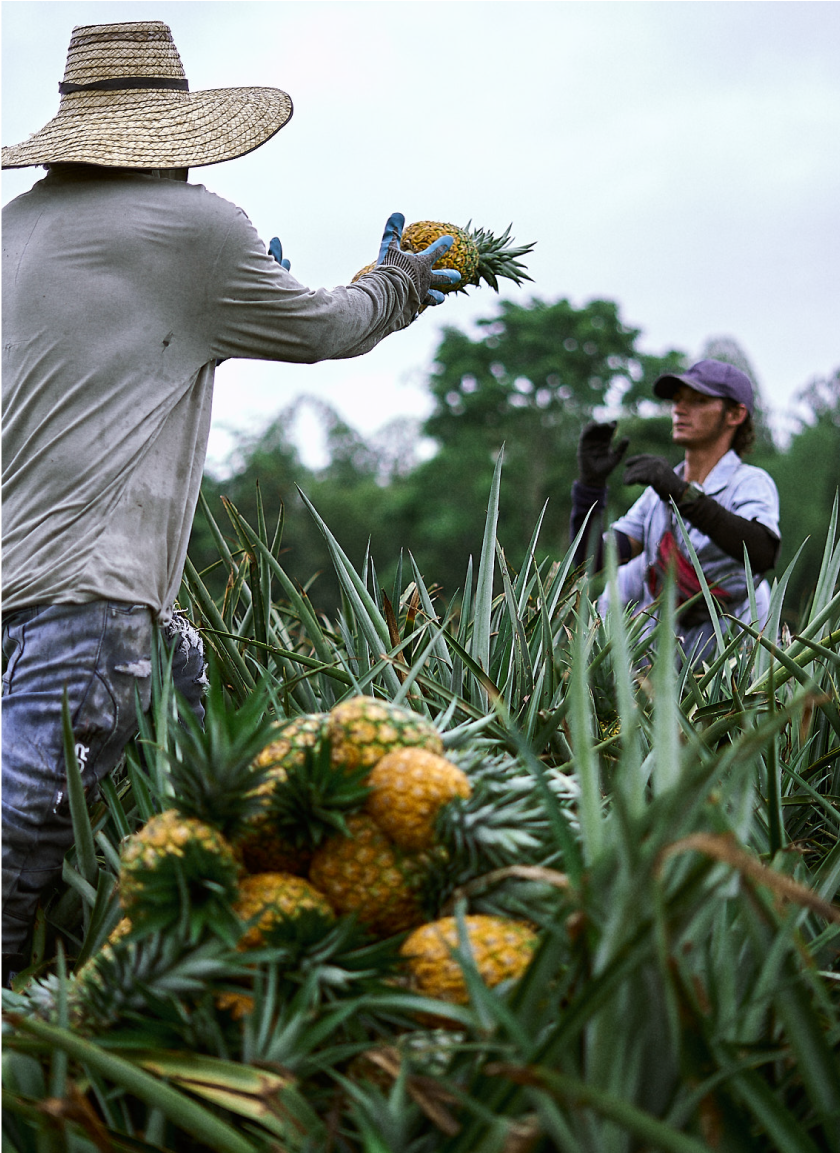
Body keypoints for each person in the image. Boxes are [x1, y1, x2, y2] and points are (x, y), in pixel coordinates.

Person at [0, 20, 460, 980]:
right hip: (89, 596)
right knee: (22, 834)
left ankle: (173, 974)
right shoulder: (195, 229)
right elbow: (330, 328)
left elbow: (111, 365)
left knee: (201, 763)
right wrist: (401, 281)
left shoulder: (14, 230)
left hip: (22, 585)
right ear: (172, 133)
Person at [570, 358, 781, 664]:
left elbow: (763, 551)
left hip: (728, 676)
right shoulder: (657, 496)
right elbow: (592, 561)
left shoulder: (749, 483)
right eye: (678, 400)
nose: (680, 409)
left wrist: (683, 495)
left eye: (699, 401)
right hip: (650, 680)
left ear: (735, 413)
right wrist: (591, 487)